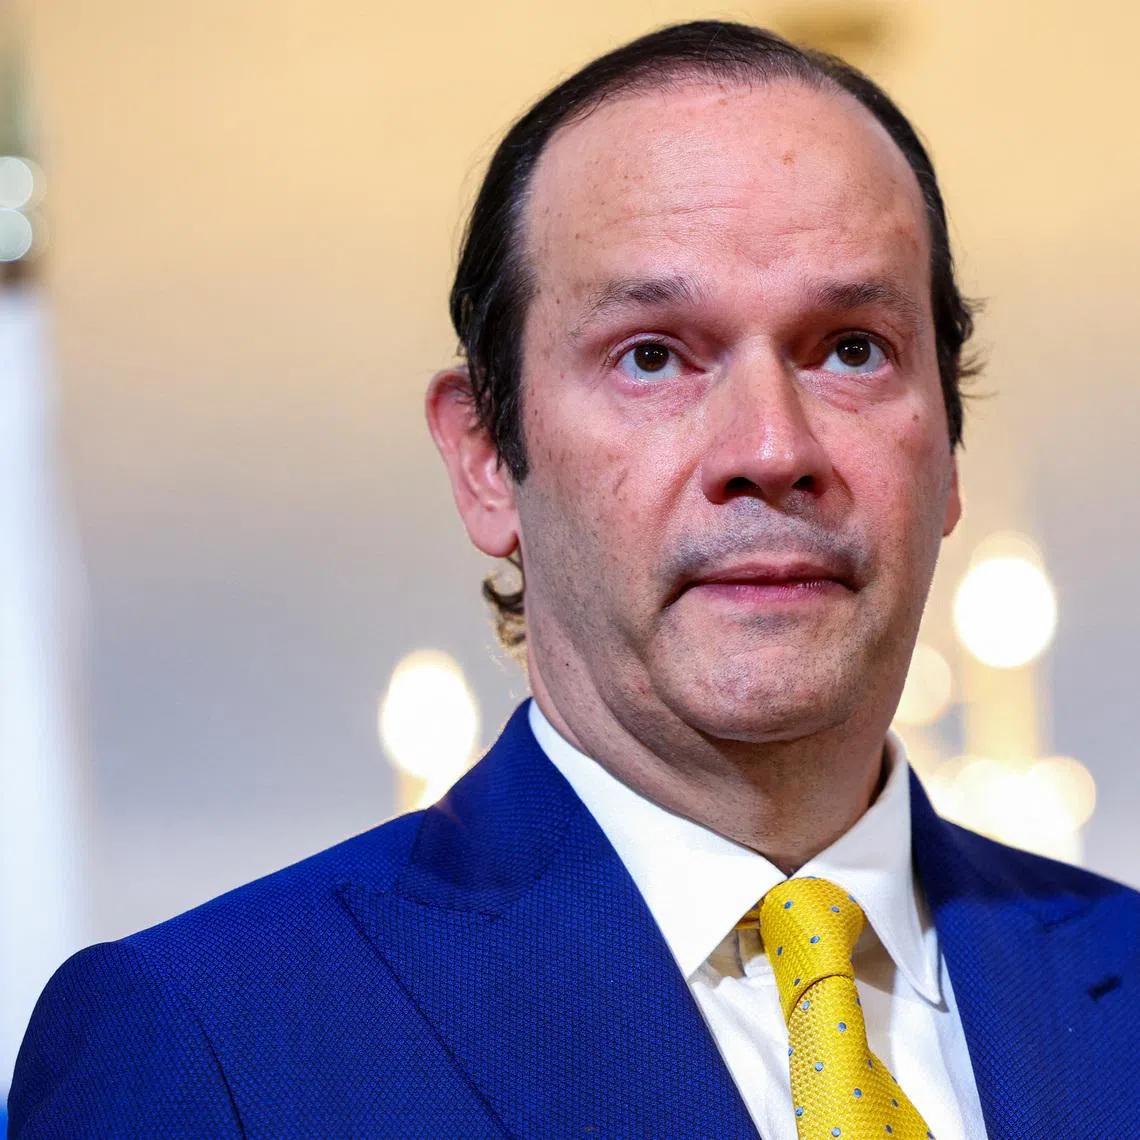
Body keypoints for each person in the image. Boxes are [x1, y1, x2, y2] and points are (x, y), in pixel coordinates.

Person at [8, 20, 1138, 1139]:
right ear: (488, 461)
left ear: (948, 447)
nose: (771, 447)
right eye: (652, 355)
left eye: (851, 348)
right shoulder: (212, 1045)